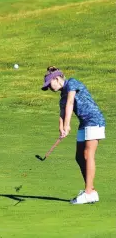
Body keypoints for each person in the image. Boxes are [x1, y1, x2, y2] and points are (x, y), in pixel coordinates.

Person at [41, 66, 106, 204]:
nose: (49, 88)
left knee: (88, 155)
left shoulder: (72, 83)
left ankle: (88, 193)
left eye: (49, 84)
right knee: (79, 157)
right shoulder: (62, 95)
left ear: (57, 79)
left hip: (94, 120)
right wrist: (61, 127)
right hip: (84, 123)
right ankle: (91, 190)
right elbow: (62, 111)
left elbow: (70, 103)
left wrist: (67, 125)